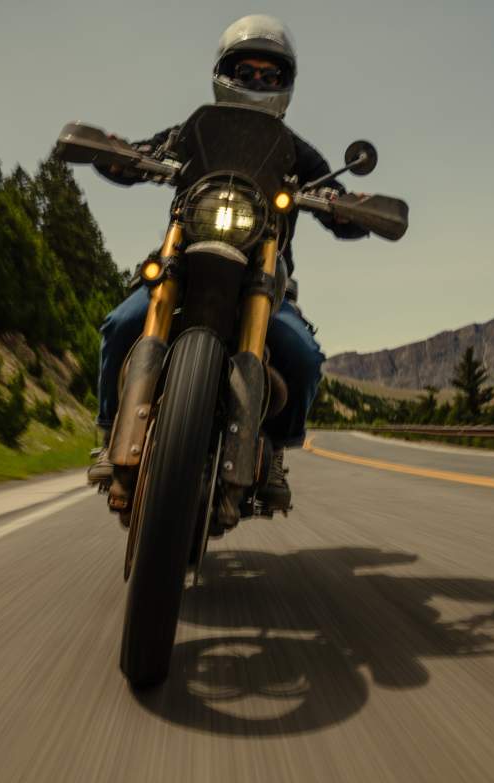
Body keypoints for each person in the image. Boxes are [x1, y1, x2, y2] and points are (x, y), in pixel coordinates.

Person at [89, 14, 368, 513]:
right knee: (121, 324)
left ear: (285, 84)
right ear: (225, 74)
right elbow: (146, 154)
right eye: (246, 73)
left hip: (262, 282)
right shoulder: (191, 131)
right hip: (183, 267)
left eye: (269, 75)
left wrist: (348, 207)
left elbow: (332, 193)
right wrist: (120, 155)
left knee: (302, 356)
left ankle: (276, 451)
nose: (257, 83)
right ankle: (110, 431)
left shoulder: (296, 153)